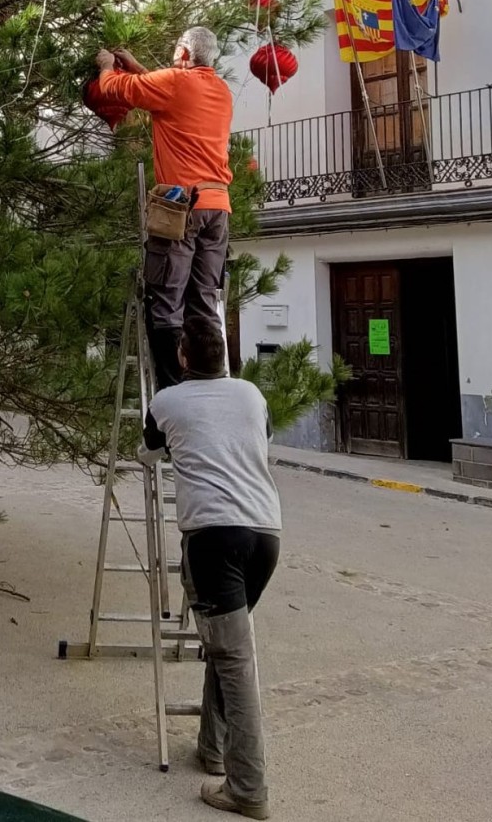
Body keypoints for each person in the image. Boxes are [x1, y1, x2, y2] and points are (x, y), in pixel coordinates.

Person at [138, 315, 281, 821]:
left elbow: (148, 451)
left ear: (182, 358)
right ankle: (212, 749)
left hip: (214, 540)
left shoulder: (167, 401)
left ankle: (248, 789)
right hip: (266, 536)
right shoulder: (251, 395)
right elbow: (263, 440)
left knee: (236, 662)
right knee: (229, 648)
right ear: (226, 355)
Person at [95, 27, 234, 390]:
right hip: (218, 208)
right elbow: (169, 93)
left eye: (176, 50)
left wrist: (107, 66)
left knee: (167, 303)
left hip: (180, 209)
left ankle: (174, 393)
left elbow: (114, 89)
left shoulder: (174, 83)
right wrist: (139, 67)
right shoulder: (220, 90)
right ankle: (211, 383)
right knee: (204, 303)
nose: (173, 56)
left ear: (186, 54)